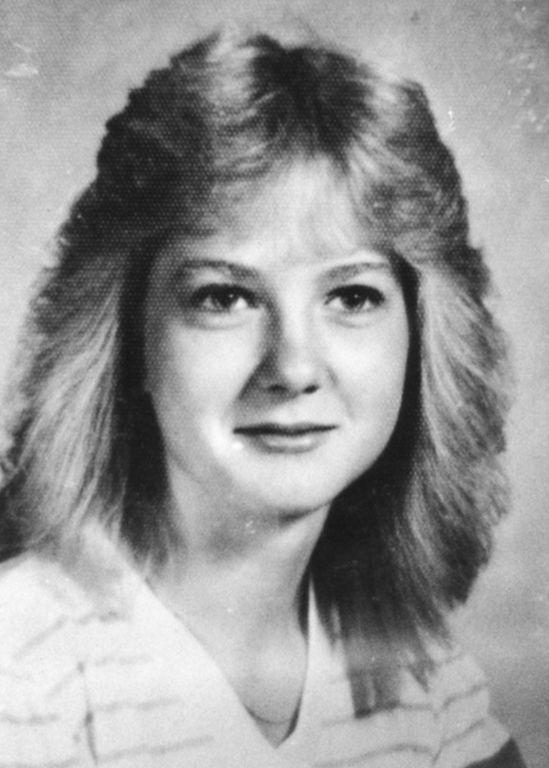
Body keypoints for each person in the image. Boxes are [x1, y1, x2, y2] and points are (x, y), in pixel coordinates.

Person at [0, 25, 525, 768]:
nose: (293, 367)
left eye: (352, 295)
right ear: (127, 339)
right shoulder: (26, 676)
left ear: (422, 339)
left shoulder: (422, 676)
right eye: (224, 297)